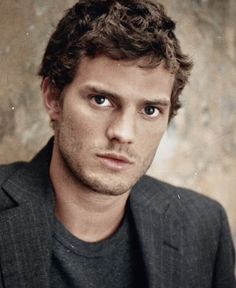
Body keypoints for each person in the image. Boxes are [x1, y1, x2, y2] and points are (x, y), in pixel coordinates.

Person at [0, 0, 235, 287]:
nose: (123, 133)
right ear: (53, 98)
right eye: (101, 100)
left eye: (150, 110)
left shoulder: (204, 226)